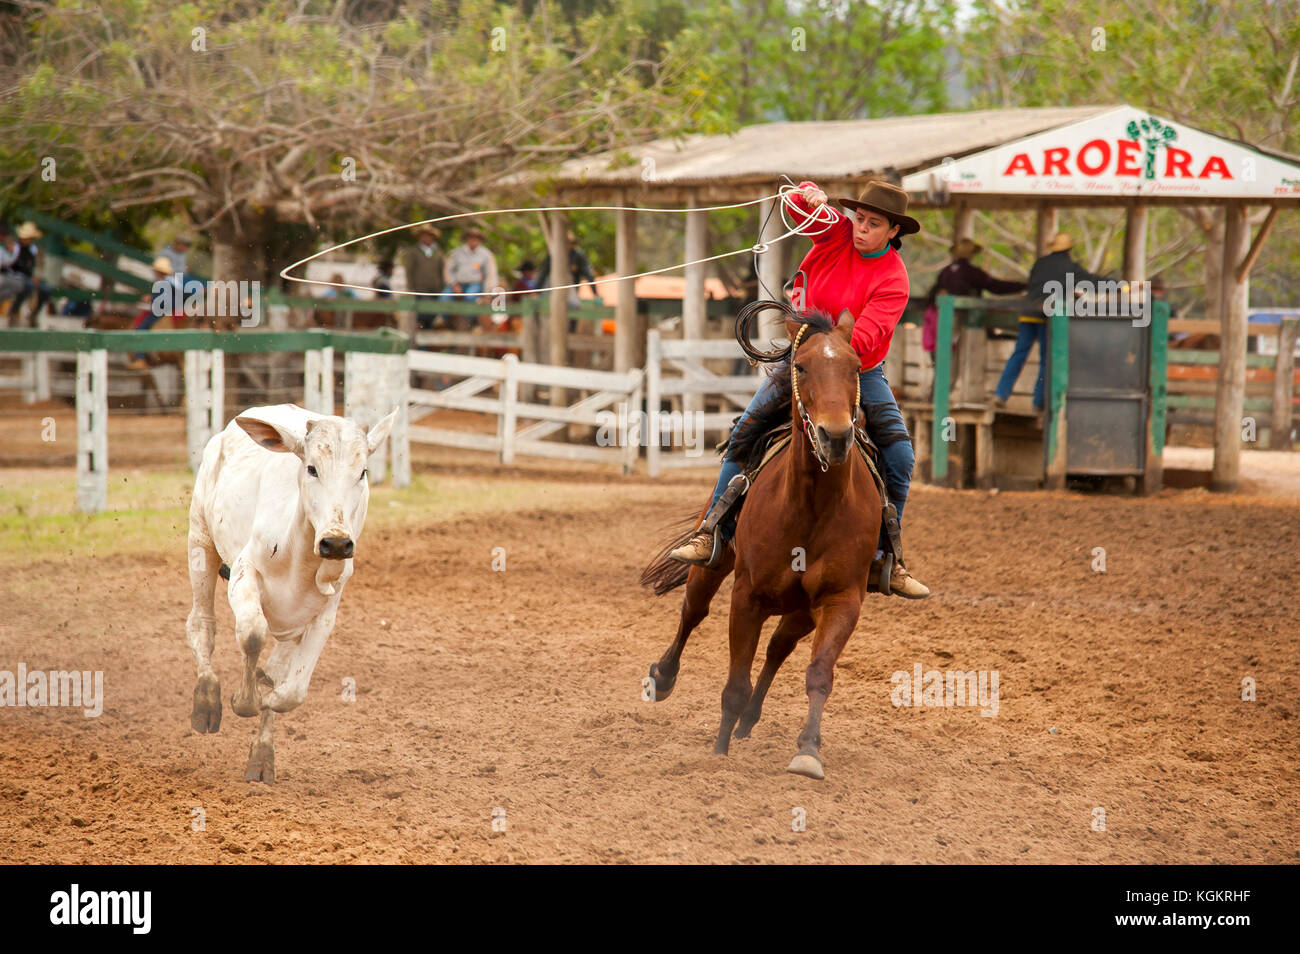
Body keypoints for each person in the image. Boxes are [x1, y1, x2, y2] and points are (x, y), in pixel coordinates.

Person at [669, 178, 930, 599]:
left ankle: (886, 557)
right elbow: (800, 209)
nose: (861, 228)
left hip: (857, 371)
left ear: (893, 231)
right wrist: (808, 194)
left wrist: (827, 348)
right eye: (859, 218)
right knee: (745, 432)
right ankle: (712, 531)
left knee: (900, 455)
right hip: (803, 363)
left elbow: (864, 339)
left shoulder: (893, 279)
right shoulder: (836, 233)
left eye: (873, 223)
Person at [993, 232, 1108, 411]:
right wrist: (1122, 285)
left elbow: (1036, 286)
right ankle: (1038, 402)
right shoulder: (1070, 266)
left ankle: (1000, 394)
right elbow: (1092, 281)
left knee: (1019, 353)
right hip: (1047, 316)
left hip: (1028, 312)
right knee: (1046, 359)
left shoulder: (1040, 263)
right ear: (1069, 249)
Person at [922, 238, 1025, 368]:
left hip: (938, 317)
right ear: (971, 254)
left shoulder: (946, 271)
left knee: (943, 352)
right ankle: (948, 385)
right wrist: (1023, 286)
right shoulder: (971, 272)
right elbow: (996, 287)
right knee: (953, 353)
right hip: (960, 318)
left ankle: (938, 385)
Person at [127, 257, 184, 369]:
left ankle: (140, 358)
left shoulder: (163, 283)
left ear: (159, 271)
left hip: (161, 311)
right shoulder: (172, 282)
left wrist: (151, 300)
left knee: (140, 329)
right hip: (170, 310)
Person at [442, 226, 498, 331]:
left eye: (477, 238)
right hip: (457, 284)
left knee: (470, 299)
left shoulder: (486, 255)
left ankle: (468, 324)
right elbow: (448, 270)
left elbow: (490, 275)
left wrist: (487, 292)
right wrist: (454, 284)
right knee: (443, 299)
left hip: (475, 284)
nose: (474, 240)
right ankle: (447, 323)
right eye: (471, 237)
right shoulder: (456, 253)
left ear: (480, 240)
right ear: (466, 239)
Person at [401, 226, 444, 330]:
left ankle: (427, 339)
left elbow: (442, 270)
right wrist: (411, 288)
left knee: (432, 314)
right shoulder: (413, 252)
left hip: (436, 289)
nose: (425, 238)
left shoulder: (438, 252)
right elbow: (409, 271)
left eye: (428, 235)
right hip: (420, 289)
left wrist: (442, 286)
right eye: (423, 235)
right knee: (426, 312)